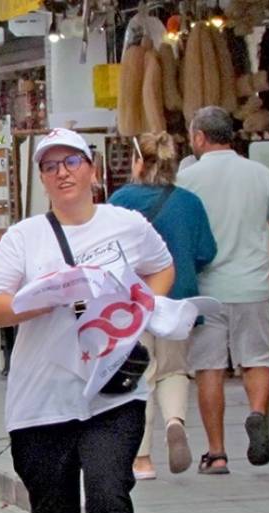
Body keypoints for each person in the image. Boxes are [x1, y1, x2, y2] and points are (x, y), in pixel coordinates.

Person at [0, 128, 173, 513]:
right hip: (41, 402)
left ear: (91, 169)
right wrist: (45, 298)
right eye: (49, 166)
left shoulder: (126, 225)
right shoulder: (24, 238)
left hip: (112, 392)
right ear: (42, 179)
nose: (61, 173)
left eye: (70, 163)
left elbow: (162, 268)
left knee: (109, 494)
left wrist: (138, 311)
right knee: (55, 510)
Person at [177, 106, 269, 474]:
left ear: (199, 137)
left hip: (207, 288)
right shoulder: (260, 172)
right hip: (252, 284)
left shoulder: (188, 179)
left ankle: (217, 453)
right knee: (257, 358)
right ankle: (257, 413)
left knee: (209, 367)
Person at [109, 132, 217, 479]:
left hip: (133, 303)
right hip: (178, 299)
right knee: (174, 369)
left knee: (141, 376)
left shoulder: (120, 201)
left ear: (139, 162)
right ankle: (175, 421)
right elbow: (206, 252)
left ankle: (142, 459)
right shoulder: (190, 202)